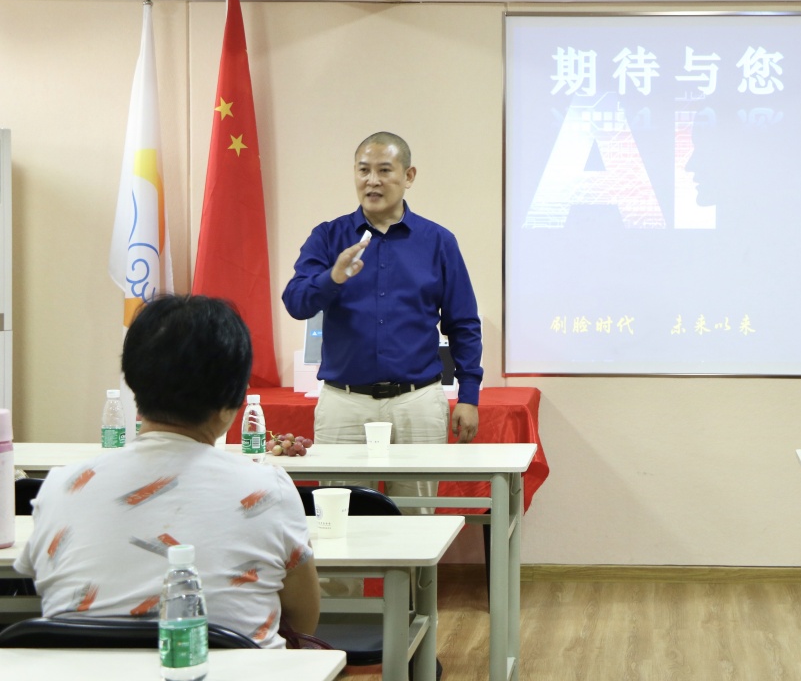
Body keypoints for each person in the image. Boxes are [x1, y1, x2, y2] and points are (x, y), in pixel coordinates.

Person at [15, 295, 319, 648]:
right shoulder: (269, 489)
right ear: (233, 401)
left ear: (133, 382)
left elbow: (46, 589)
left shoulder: (61, 487)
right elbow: (302, 619)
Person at [282, 131, 483, 511]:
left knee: (417, 522)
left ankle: (413, 575)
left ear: (409, 176)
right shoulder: (329, 237)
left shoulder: (438, 241)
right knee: (338, 523)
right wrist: (333, 278)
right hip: (345, 403)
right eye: (363, 171)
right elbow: (296, 301)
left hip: (417, 401)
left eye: (384, 170)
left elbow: (463, 323)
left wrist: (469, 394)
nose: (372, 181)